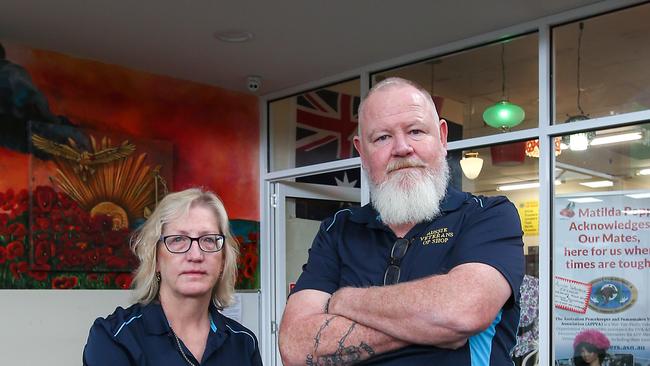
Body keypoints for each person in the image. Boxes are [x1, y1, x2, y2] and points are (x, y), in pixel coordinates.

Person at [279, 77, 525, 365]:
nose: (402, 147)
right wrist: (431, 324)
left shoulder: (488, 215)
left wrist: (343, 301)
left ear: (442, 138)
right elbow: (295, 346)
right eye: (382, 137)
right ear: (362, 151)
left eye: (416, 131)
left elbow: (461, 312)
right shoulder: (338, 230)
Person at [83, 188, 262, 365]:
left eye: (208, 239)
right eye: (178, 240)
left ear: (223, 260)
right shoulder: (116, 337)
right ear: (156, 259)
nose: (196, 255)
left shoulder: (244, 343)